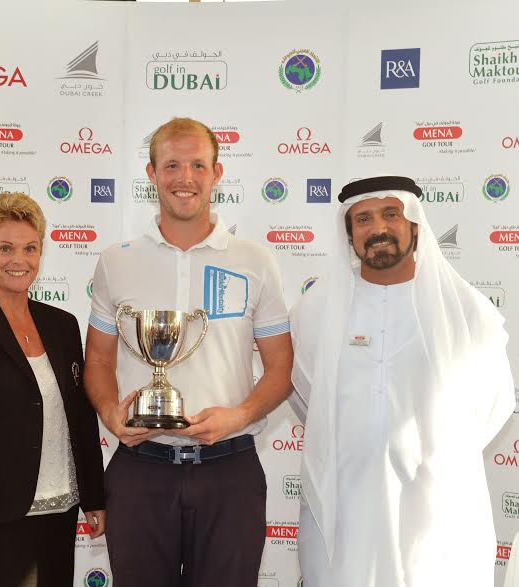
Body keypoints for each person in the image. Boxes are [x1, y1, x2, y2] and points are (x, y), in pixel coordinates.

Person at [84, 117, 293, 587]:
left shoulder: (254, 260)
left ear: (217, 174)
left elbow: (280, 369)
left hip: (230, 471)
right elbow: (97, 360)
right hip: (141, 470)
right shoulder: (116, 261)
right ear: (151, 173)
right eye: (172, 164)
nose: (185, 177)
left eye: (198, 165)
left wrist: (239, 416)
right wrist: (109, 413)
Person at [289, 176, 515, 586]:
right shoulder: (315, 309)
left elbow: (494, 401)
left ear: (414, 225)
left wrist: (433, 452)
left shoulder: (464, 309)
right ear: (349, 234)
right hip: (345, 496)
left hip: (436, 499)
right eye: (363, 219)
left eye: (391, 214)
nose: (377, 229)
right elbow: (307, 392)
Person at [0, 192, 106, 587]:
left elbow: (79, 418)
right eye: (5, 248)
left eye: (30, 248)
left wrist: (95, 497)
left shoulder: (62, 326)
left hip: (59, 509)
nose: (19, 260)